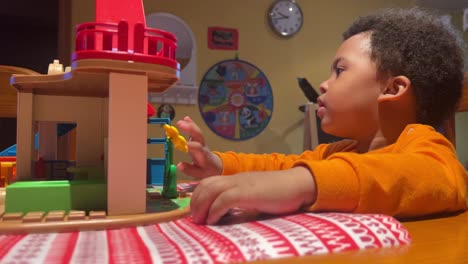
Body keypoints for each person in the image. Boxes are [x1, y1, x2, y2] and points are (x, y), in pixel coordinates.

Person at [176, 8, 468, 225]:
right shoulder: (342, 151)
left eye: (340, 70)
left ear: (393, 89)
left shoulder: (426, 146)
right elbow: (281, 164)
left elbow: (435, 178)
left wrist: (303, 183)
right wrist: (220, 164)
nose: (324, 84)